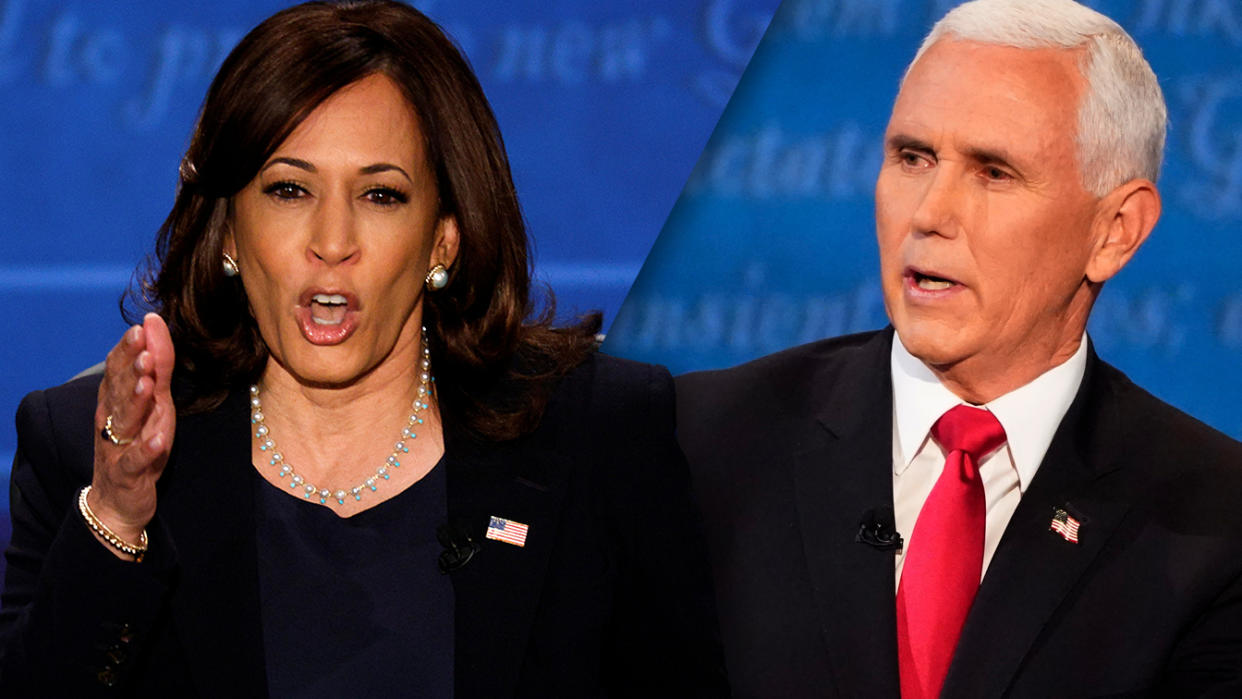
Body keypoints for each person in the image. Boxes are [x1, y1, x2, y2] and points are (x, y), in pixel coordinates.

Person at [0, 1, 727, 696]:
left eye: (381, 195)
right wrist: (118, 521)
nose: (333, 243)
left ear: (444, 237)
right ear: (226, 230)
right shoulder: (80, 449)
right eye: (289, 190)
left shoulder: (599, 431)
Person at [675, 0, 1242, 697]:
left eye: (993, 172)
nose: (930, 214)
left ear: (1116, 231)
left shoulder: (1217, 521)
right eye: (912, 158)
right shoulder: (699, 443)